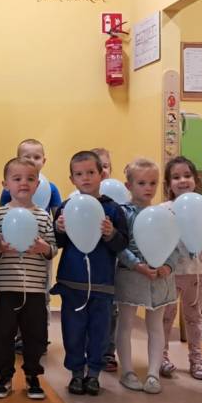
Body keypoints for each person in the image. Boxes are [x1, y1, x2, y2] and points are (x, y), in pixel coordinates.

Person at [52, 151, 128, 397]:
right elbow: (58, 243)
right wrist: (59, 229)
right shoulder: (66, 207)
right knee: (72, 331)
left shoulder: (113, 209)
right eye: (79, 174)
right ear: (72, 179)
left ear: (102, 174)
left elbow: (122, 244)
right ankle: (76, 373)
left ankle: (93, 374)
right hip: (71, 283)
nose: (85, 178)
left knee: (100, 332)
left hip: (102, 284)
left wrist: (111, 234)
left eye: (90, 172)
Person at [0, 157, 57, 401]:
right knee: (1, 335)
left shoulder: (43, 216)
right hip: (6, 287)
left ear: (37, 184)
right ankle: (4, 376)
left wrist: (44, 248)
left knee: (35, 336)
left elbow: (52, 248)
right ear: (5, 184)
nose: (23, 183)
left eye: (30, 179)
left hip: (35, 289)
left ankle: (32, 375)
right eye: (17, 179)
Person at [115, 158, 177, 394]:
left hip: (159, 278)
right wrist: (136, 265)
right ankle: (127, 371)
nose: (148, 188)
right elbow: (119, 246)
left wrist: (168, 266)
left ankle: (152, 373)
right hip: (131, 275)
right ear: (129, 186)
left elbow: (174, 245)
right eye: (141, 183)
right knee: (125, 323)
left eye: (153, 183)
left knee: (155, 326)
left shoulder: (164, 214)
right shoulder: (122, 213)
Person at [160, 156, 202, 381]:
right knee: (165, 317)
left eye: (187, 176)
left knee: (194, 318)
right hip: (169, 273)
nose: (182, 180)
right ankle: (161, 357)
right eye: (176, 177)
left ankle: (196, 360)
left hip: (195, 272)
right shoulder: (164, 209)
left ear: (196, 180)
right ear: (169, 184)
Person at [91, 146, 117, 372]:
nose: (102, 171)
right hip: (86, 268)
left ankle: (108, 352)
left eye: (105, 166)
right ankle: (87, 351)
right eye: (96, 167)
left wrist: (112, 232)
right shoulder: (75, 200)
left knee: (110, 311)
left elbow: (123, 237)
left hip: (110, 268)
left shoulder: (116, 200)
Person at [0, 139, 62, 215]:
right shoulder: (10, 188)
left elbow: (57, 216)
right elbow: (2, 214)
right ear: (18, 160)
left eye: (37, 157)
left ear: (43, 161)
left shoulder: (52, 188)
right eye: (27, 157)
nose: (32, 161)